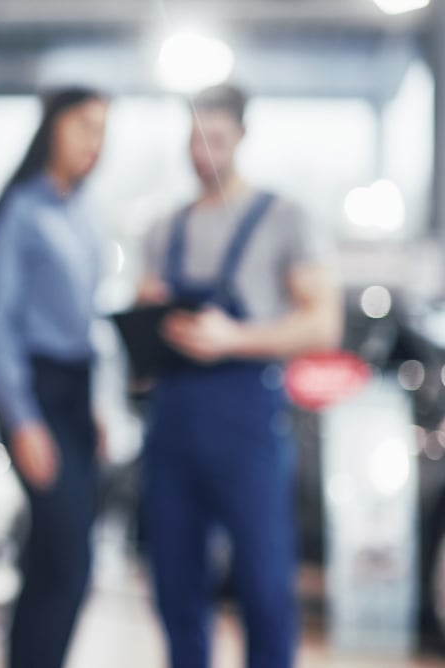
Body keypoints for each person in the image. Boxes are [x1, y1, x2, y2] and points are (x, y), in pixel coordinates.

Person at [136, 84, 342, 668]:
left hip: (246, 422)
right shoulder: (162, 229)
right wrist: (147, 325)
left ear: (242, 136)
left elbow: (323, 324)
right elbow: (144, 353)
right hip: (172, 426)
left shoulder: (284, 218)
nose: (204, 151)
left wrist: (236, 338)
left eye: (218, 138)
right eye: (196, 138)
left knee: (263, 586)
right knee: (174, 586)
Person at [0, 87, 110, 668]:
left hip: (76, 397)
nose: (93, 143)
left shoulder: (81, 211)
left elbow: (87, 322)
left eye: (102, 131)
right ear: (51, 129)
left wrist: (96, 407)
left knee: (50, 560)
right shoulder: (21, 211)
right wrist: (23, 419)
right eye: (82, 127)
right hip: (37, 396)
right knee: (71, 559)